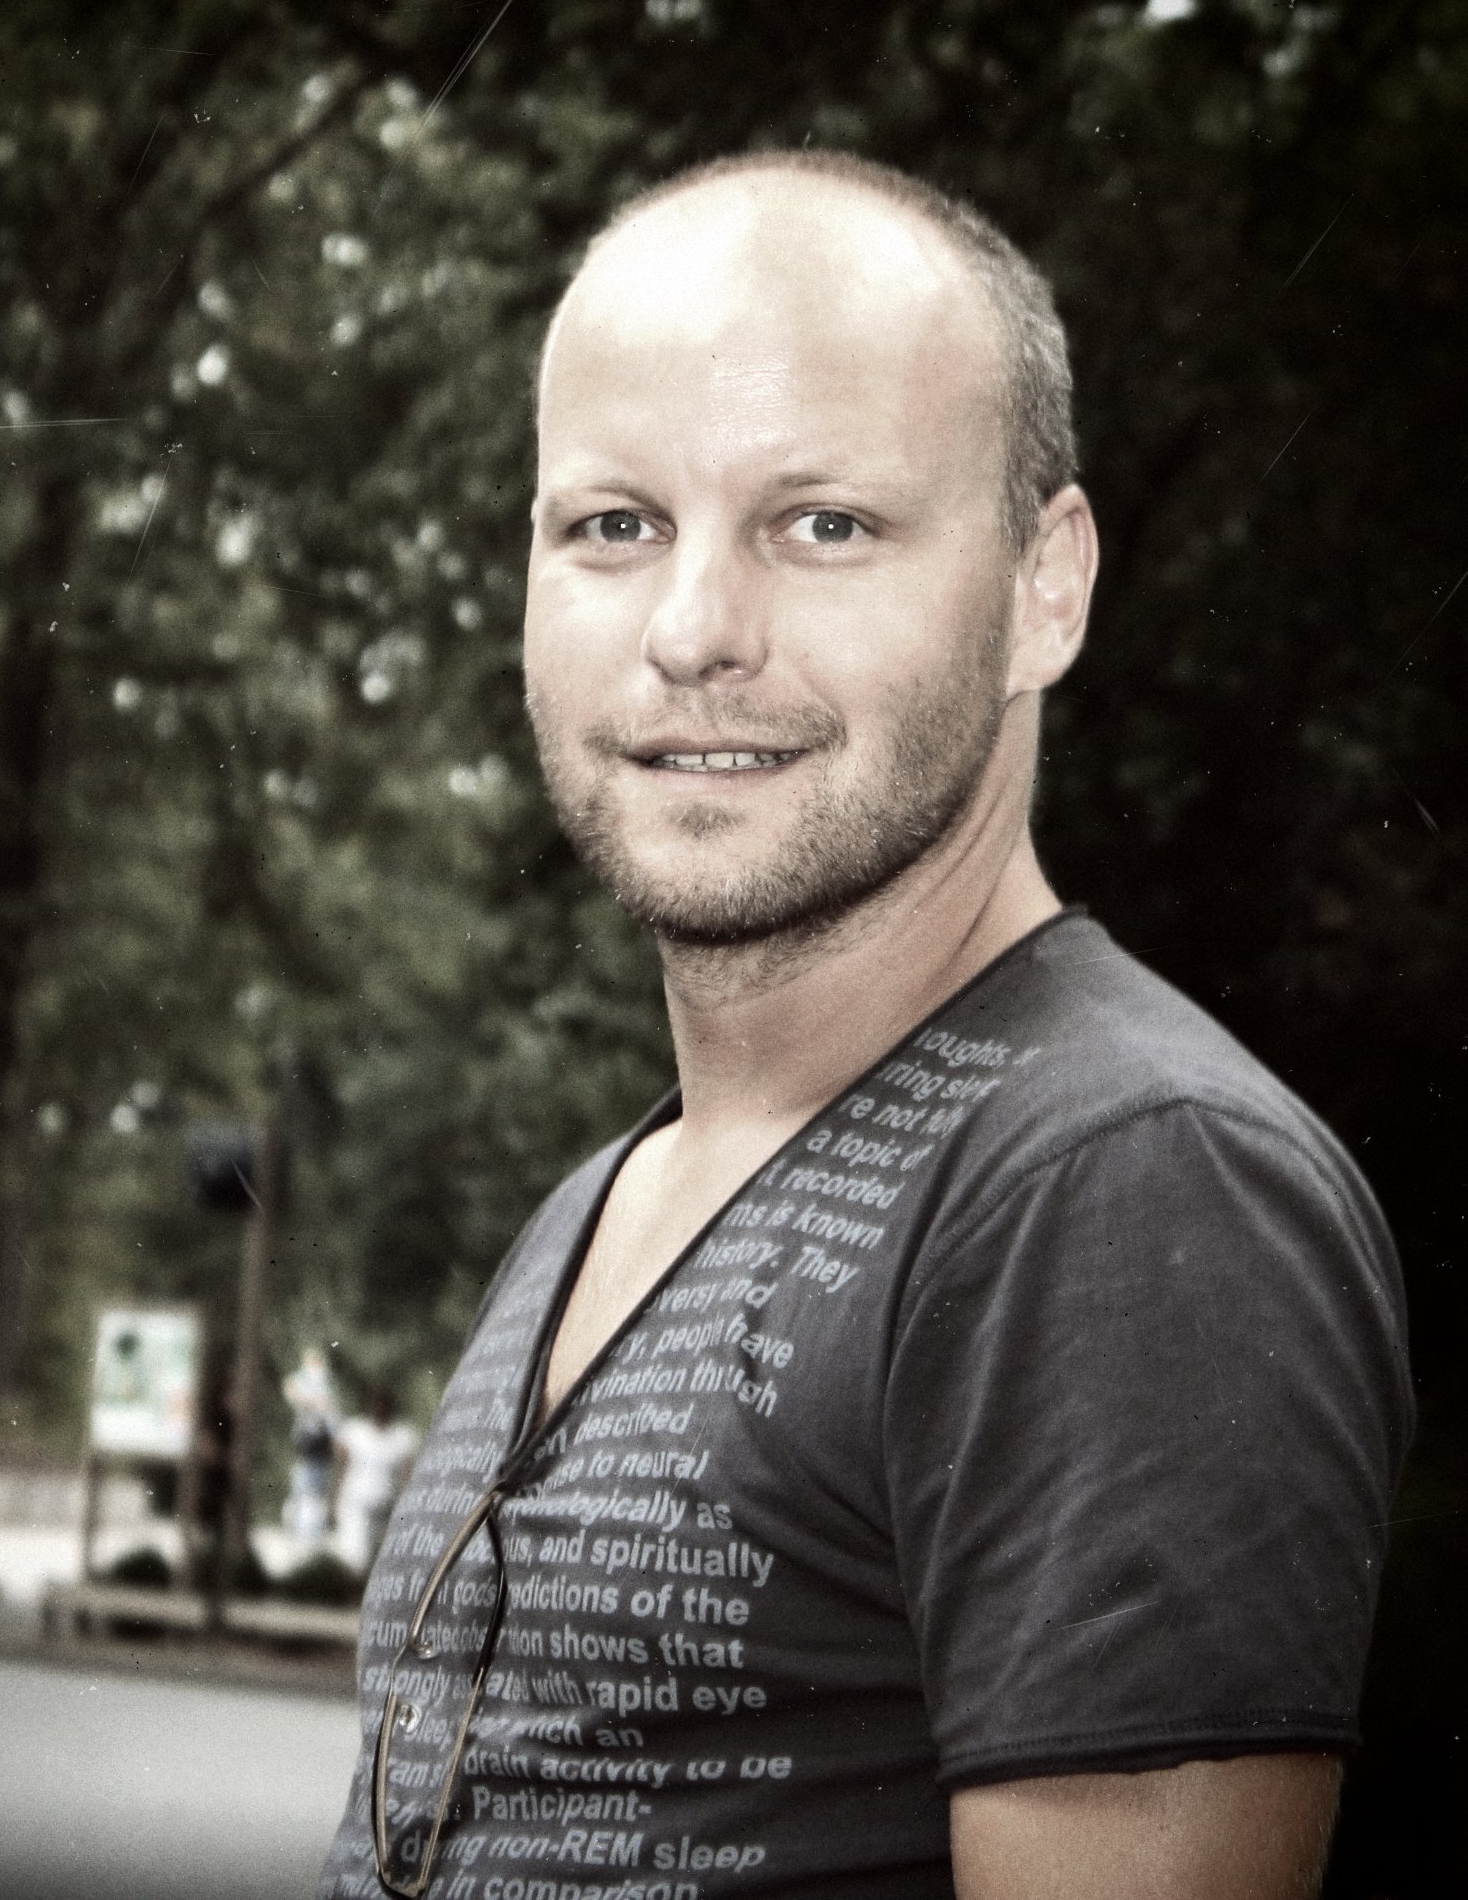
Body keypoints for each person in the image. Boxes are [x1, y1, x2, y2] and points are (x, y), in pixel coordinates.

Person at [316, 152, 1413, 1900]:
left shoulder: (1120, 1181)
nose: (692, 631)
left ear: (1043, 585)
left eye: (820, 524)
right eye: (612, 525)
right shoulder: (613, 1193)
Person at [332, 1385, 420, 1574]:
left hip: (386, 1508)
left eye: (383, 1404)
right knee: (355, 1558)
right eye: (376, 1404)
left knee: (384, 1560)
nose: (379, 1408)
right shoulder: (354, 1431)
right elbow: (340, 1469)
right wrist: (332, 1500)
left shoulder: (402, 1436)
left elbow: (407, 1474)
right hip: (355, 1505)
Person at [282, 1346, 339, 1545]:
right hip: (308, 1437)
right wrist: (309, 1401)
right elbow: (290, 1387)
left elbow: (330, 1410)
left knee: (315, 1488)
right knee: (304, 1486)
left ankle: (309, 1532)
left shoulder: (326, 1381)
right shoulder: (305, 1380)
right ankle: (299, 1530)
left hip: (322, 1438)